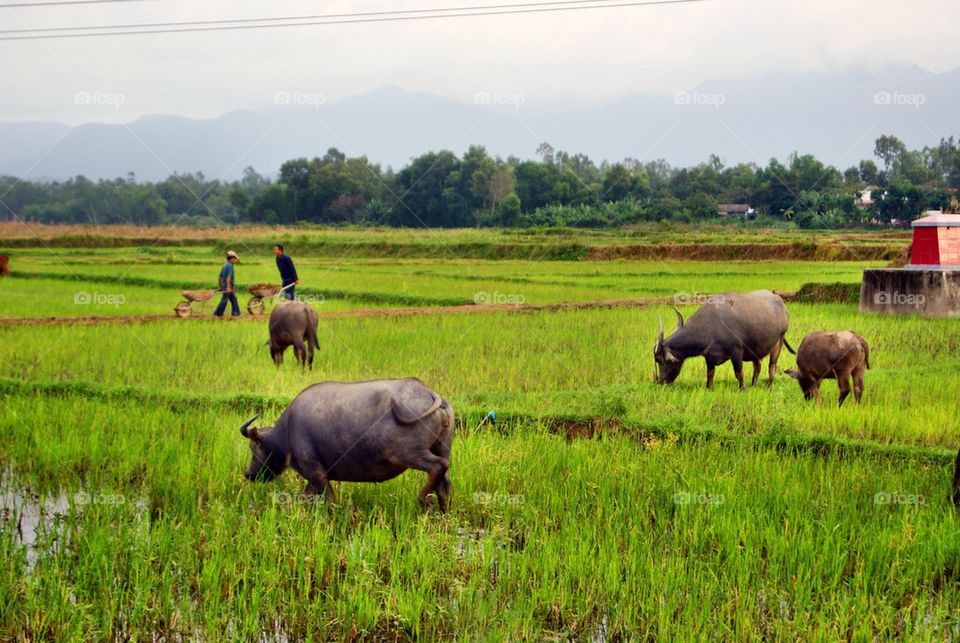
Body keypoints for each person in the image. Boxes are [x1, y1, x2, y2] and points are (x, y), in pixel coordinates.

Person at [214, 250, 241, 317]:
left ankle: (219, 313)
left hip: (224, 286)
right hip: (227, 287)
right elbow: (228, 278)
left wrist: (219, 286)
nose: (235, 260)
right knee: (226, 300)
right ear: (231, 258)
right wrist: (228, 287)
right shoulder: (230, 266)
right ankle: (234, 313)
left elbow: (220, 276)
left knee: (231, 299)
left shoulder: (225, 265)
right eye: (235, 259)